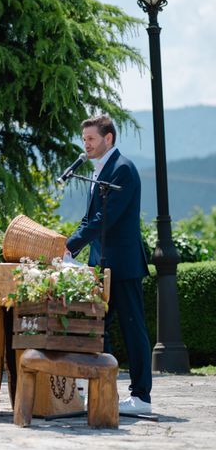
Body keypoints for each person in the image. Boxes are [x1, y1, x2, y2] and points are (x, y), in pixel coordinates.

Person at [65, 114, 152, 414]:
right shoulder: (101, 170)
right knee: (97, 330)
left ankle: (141, 398)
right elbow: (90, 220)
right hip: (100, 264)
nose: (85, 144)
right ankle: (105, 391)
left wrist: (71, 245)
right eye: (84, 139)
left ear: (108, 138)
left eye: (90, 139)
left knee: (133, 330)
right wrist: (69, 246)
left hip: (123, 265)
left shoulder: (123, 170)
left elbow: (105, 219)